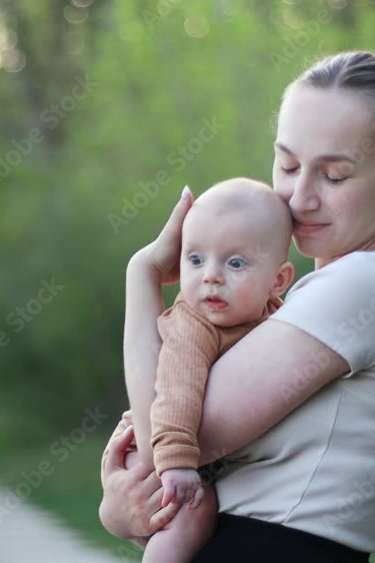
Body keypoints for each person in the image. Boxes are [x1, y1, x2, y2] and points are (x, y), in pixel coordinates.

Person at [99, 51, 375, 562]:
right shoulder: (317, 292)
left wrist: (142, 276)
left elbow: (172, 437)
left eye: (334, 176)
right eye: (289, 165)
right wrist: (124, 510)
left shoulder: (367, 283)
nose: (300, 198)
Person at [120, 177, 295, 562]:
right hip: (160, 438)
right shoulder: (193, 325)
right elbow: (178, 391)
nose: (210, 276)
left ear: (278, 281)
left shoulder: (279, 317)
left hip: (194, 453)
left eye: (235, 263)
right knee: (192, 517)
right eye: (195, 259)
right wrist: (178, 463)